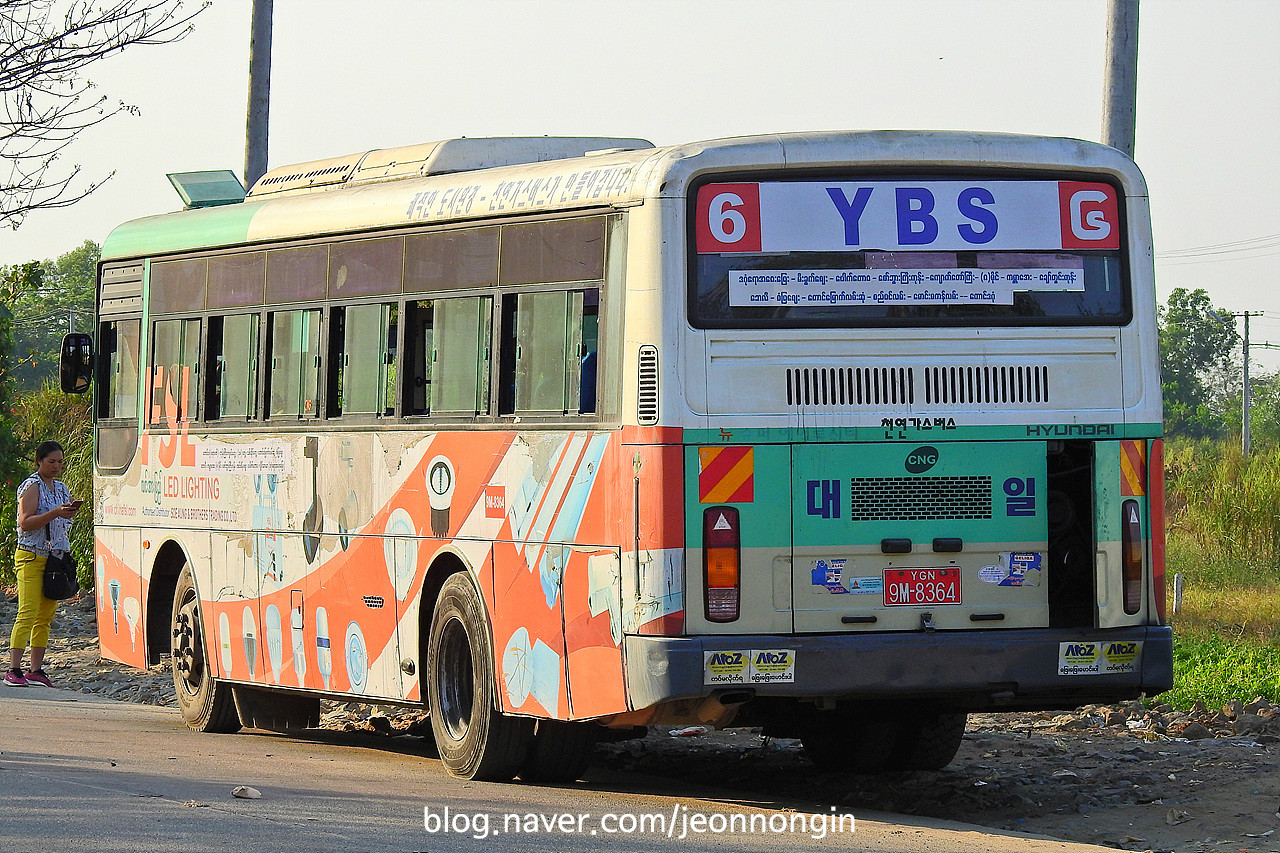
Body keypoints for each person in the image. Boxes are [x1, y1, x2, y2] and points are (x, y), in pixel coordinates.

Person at [6, 441, 80, 687]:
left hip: (55, 558)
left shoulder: (61, 488)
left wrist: (68, 512)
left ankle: (36, 668)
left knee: (46, 615)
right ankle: (13, 668)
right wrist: (55, 513)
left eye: (60, 462)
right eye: (51, 462)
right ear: (39, 461)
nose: (56, 466)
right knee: (27, 611)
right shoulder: (32, 486)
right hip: (31, 554)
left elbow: (61, 517)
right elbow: (25, 522)